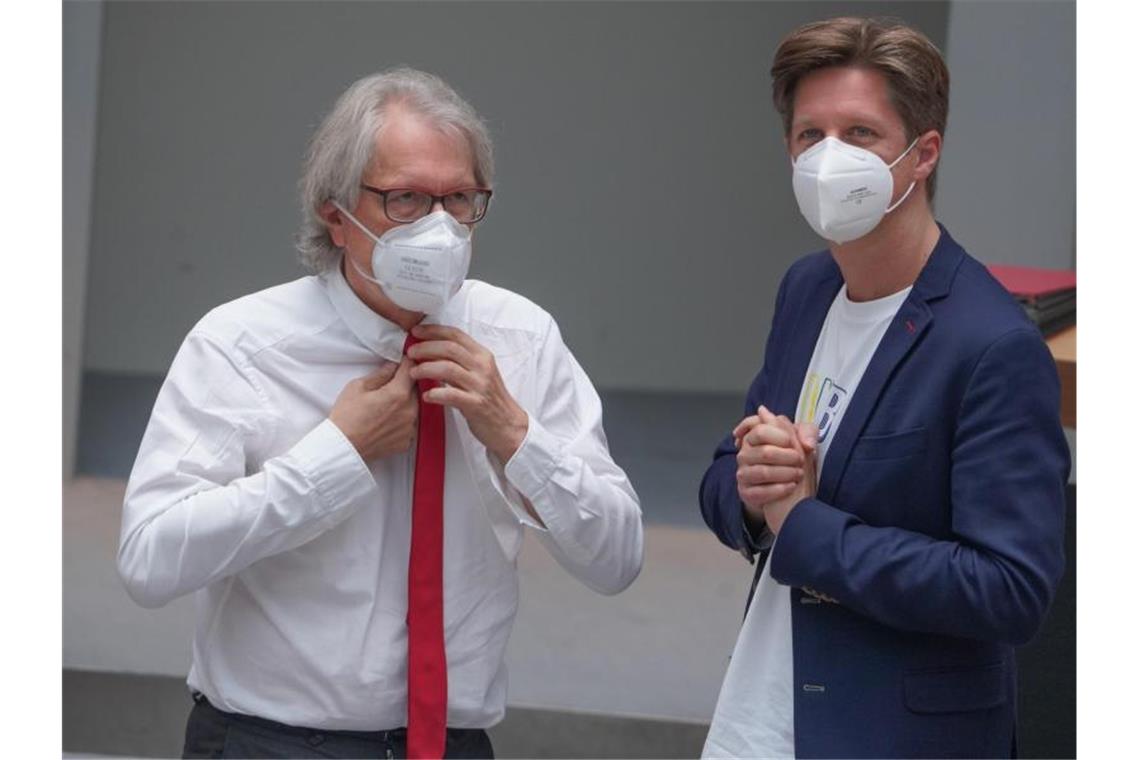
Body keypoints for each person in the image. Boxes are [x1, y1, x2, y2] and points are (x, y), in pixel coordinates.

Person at [117, 68, 644, 760]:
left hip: (451, 744)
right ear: (336, 216)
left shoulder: (519, 337)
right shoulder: (242, 343)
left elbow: (617, 558)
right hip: (268, 742)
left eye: (459, 198)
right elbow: (149, 558)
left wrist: (516, 437)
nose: (439, 227)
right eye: (405, 200)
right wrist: (333, 456)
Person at [699, 17, 1068, 759]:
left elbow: (1011, 590)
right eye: (810, 135)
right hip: (762, 717)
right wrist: (750, 485)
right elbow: (728, 479)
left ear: (923, 153)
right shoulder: (807, 289)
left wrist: (803, 524)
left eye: (860, 134)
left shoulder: (992, 343)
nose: (828, 157)